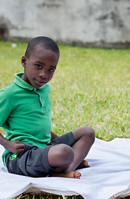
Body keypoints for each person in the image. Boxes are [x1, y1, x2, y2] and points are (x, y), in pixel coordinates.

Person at [0, 36, 95, 179]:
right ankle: (65, 164)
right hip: (21, 155)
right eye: (38, 66)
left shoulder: (44, 90)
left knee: (87, 132)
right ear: (24, 61)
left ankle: (64, 169)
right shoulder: (10, 94)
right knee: (65, 152)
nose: (44, 74)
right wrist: (8, 145)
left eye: (51, 69)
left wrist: (64, 141)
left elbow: (38, 126)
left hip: (44, 148)